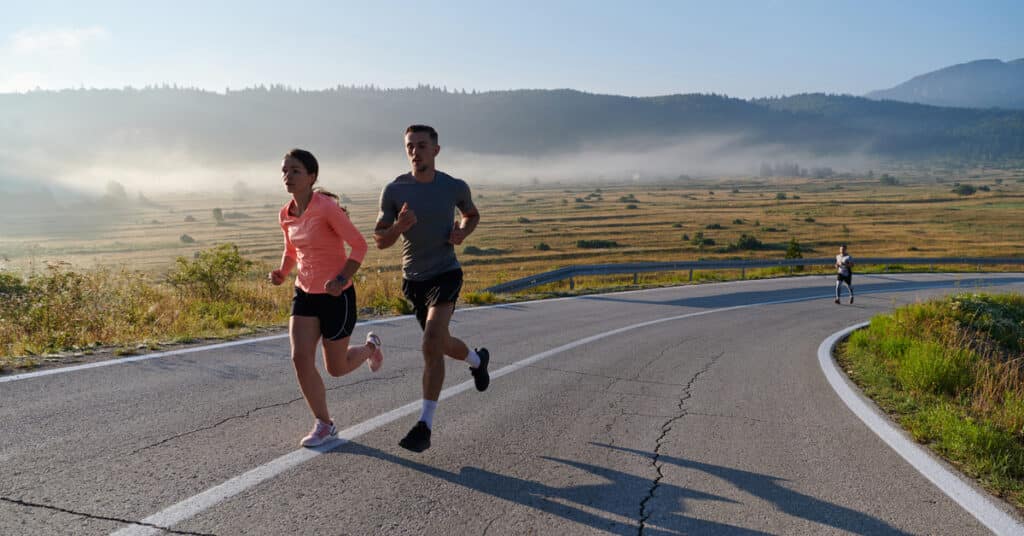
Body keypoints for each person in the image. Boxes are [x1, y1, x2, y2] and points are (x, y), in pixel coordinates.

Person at [374, 125, 489, 453]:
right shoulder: (395, 190)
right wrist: (399, 226)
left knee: (430, 342)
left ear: (436, 150)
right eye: (410, 146)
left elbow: (471, 214)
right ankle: (478, 361)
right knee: (440, 344)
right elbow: (381, 240)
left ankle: (424, 425)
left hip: (446, 273)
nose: (415, 151)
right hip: (414, 281)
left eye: (422, 146)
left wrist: (462, 234)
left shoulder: (453, 186)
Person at [269, 148, 384, 447]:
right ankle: (324, 424)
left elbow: (358, 246)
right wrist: (282, 273)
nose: (287, 176)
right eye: (284, 170)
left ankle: (370, 348)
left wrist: (341, 279)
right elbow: (291, 251)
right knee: (300, 357)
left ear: (311, 177)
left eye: (295, 171)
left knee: (337, 368)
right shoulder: (286, 213)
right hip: (305, 293)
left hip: (337, 297)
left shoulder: (326, 208)